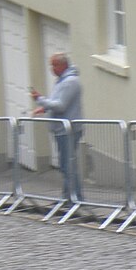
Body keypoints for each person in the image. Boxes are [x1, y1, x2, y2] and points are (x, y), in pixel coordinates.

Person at [30, 53, 83, 200]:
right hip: (61, 130)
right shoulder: (61, 81)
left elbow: (60, 105)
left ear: (63, 65)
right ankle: (68, 197)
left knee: (68, 165)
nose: (52, 69)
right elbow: (56, 101)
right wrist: (44, 108)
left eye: (54, 65)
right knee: (65, 165)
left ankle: (74, 198)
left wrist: (40, 99)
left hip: (68, 130)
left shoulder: (70, 82)